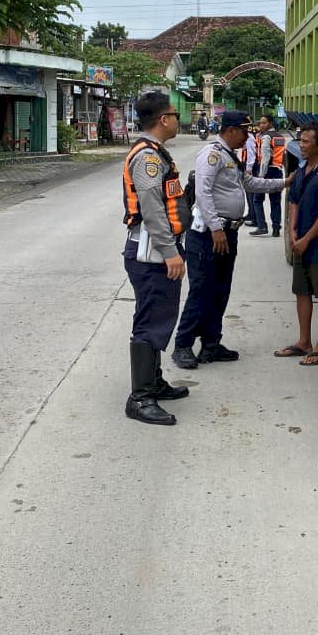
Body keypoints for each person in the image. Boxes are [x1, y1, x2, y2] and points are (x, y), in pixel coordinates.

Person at [171, 111, 293, 368]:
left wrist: (284, 183)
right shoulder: (211, 155)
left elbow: (249, 182)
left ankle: (211, 344)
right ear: (230, 130)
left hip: (228, 233)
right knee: (201, 290)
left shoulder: (231, 156)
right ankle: (182, 344)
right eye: (244, 131)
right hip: (207, 235)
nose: (247, 136)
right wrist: (215, 228)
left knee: (220, 291)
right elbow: (202, 193)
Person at [121, 90, 190, 427]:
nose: (178, 119)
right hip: (152, 253)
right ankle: (141, 397)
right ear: (164, 119)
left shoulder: (156, 153)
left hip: (155, 251)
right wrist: (170, 253)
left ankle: (154, 381)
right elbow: (152, 209)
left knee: (159, 317)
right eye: (175, 114)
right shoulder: (147, 157)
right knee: (151, 321)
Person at [274, 121, 318, 366]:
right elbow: (293, 201)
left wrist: (306, 239)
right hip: (300, 242)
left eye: (305, 142)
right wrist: (292, 231)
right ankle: (304, 342)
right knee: (301, 291)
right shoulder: (302, 170)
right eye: (301, 140)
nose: (300, 145)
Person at [250, 113, 287, 237]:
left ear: (270, 123)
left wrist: (261, 175)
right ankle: (276, 229)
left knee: (257, 199)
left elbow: (265, 158)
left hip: (266, 171)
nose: (261, 125)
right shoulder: (280, 137)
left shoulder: (266, 137)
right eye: (260, 123)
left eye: (264, 122)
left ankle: (262, 226)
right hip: (277, 171)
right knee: (275, 201)